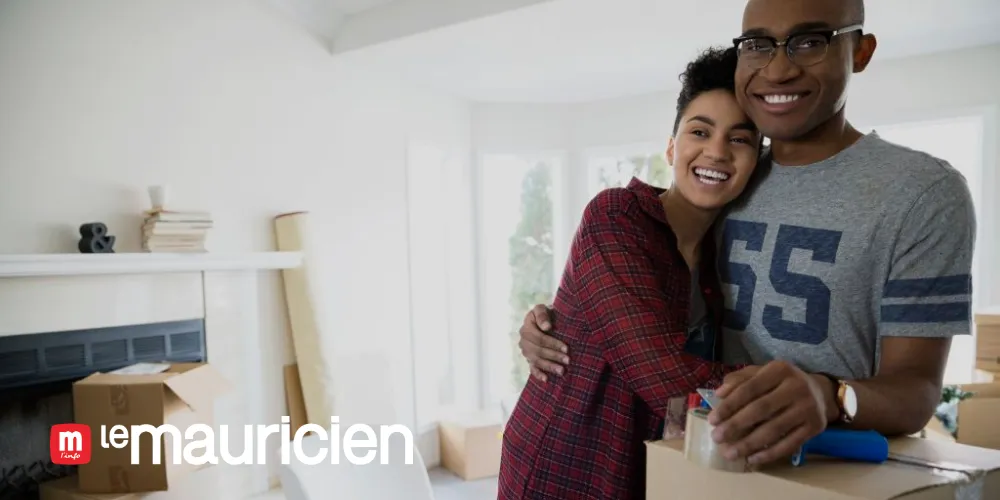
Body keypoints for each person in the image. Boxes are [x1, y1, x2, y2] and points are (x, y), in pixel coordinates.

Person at [516, 0, 976, 468]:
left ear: (861, 51)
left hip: (826, 469)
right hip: (691, 462)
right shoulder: (725, 187)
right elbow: (641, 278)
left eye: (810, 41)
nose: (778, 70)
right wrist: (559, 320)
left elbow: (917, 389)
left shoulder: (921, 192)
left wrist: (831, 395)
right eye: (758, 45)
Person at [498, 46, 762, 500]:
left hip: (639, 471)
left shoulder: (720, 255)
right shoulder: (616, 217)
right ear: (671, 147)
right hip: (561, 467)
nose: (717, 151)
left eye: (739, 139)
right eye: (700, 131)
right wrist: (810, 391)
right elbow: (667, 378)